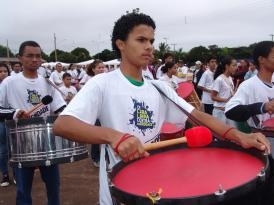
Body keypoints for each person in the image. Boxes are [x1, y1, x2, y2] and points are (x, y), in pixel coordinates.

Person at [53, 12, 270, 205]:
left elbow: (197, 116)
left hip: (154, 181)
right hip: (120, 187)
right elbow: (63, 124)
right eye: (141, 40)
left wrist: (239, 136)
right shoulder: (102, 83)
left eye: (151, 40)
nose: (149, 46)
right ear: (121, 44)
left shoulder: (159, 88)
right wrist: (114, 137)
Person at [0, 41, 66, 205]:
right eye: (30, 55)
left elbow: (60, 108)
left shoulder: (47, 82)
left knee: (54, 187)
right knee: (23, 190)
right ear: (20, 58)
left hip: (48, 143)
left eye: (38, 56)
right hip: (21, 145)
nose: (35, 59)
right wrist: (15, 112)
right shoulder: (9, 82)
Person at [225, 41, 274, 205]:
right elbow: (230, 110)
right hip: (266, 143)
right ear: (262, 59)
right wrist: (263, 106)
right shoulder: (249, 85)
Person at [211, 56, 237, 127]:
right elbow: (213, 97)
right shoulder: (219, 79)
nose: (236, 68)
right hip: (220, 112)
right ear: (227, 66)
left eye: (236, 65)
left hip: (229, 111)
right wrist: (226, 100)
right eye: (234, 65)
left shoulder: (230, 78)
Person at [0, 63, 10, 187]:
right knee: (3, 149)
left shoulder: (12, 85)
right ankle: (5, 174)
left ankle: (18, 173)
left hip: (13, 121)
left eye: (5, 71)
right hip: (1, 121)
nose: (3, 73)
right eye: (0, 71)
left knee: (15, 148)